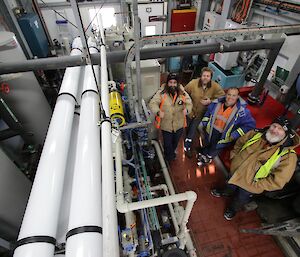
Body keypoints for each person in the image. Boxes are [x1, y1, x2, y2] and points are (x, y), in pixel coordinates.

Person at [211, 117, 299, 220]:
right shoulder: (256, 134)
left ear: (286, 134)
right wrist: (234, 158)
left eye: (280, 129)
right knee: (229, 184)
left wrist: (257, 185)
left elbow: (279, 180)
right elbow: (240, 143)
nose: (275, 130)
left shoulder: (288, 156)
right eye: (274, 126)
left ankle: (232, 209)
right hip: (236, 171)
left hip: (250, 185)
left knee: (241, 198)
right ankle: (226, 191)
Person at [197, 87, 256, 166]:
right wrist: (204, 123)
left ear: (238, 97)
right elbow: (208, 113)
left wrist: (235, 134)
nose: (230, 97)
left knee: (214, 149)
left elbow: (250, 125)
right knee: (207, 144)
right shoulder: (216, 103)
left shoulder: (242, 111)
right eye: (229, 94)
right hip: (210, 131)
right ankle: (203, 154)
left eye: (233, 95)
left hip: (223, 137)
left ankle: (207, 159)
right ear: (226, 94)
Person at [149, 73, 192, 162]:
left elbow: (189, 103)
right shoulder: (162, 93)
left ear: (177, 83)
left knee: (175, 142)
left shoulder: (182, 93)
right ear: (167, 83)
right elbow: (153, 103)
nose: (172, 85)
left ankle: (171, 153)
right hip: (166, 125)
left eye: (174, 82)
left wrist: (187, 110)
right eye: (170, 82)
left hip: (179, 125)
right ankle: (169, 157)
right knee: (167, 144)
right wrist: (158, 111)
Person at [184, 67, 225, 158]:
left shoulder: (215, 87)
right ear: (200, 76)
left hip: (200, 115)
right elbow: (183, 93)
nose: (205, 78)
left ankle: (187, 147)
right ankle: (187, 138)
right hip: (190, 112)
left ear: (211, 77)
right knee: (187, 128)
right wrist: (186, 104)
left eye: (208, 76)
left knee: (192, 130)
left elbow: (222, 97)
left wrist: (210, 101)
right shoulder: (193, 84)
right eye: (204, 75)